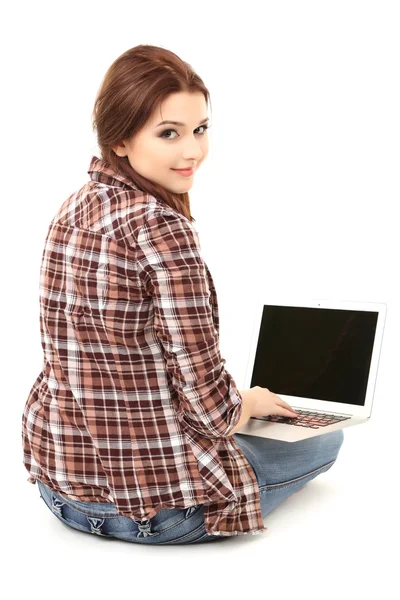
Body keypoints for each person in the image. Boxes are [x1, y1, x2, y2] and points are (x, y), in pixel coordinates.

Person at [21, 44, 344, 545]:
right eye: (169, 133)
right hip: (159, 514)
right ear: (121, 139)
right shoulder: (162, 230)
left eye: (201, 129)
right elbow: (211, 414)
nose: (192, 150)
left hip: (59, 490)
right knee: (326, 438)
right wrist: (247, 400)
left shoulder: (75, 206)